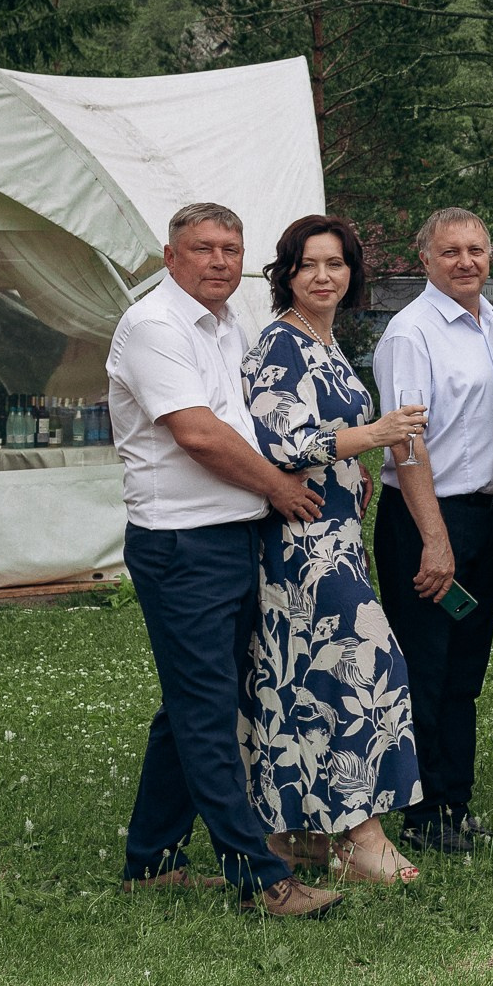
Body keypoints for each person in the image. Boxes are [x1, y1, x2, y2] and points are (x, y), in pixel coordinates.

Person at [105, 202, 339, 917]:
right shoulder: (155, 327)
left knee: (191, 708)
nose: (219, 261)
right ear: (170, 258)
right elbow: (199, 435)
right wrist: (279, 488)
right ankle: (259, 878)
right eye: (203, 248)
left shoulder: (224, 324)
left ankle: (150, 863)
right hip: (183, 544)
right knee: (206, 711)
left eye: (231, 249)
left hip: (230, 536)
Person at [241, 214, 428, 883]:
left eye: (337, 264)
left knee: (307, 684)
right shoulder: (280, 345)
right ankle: (363, 836)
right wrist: (375, 434)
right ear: (286, 273)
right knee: (370, 663)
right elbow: (284, 446)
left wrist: (356, 472)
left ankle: (299, 835)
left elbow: (327, 439)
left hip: (337, 540)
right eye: (309, 264)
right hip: (300, 545)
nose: (324, 275)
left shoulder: (325, 342)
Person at [372, 208, 493, 854]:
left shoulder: (488, 322)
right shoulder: (412, 333)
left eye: (477, 251)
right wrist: (436, 540)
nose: (467, 262)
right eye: (451, 251)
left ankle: (454, 804)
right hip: (429, 517)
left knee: (465, 670)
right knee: (425, 668)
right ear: (424, 259)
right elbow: (408, 446)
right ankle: (421, 814)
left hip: (484, 516)